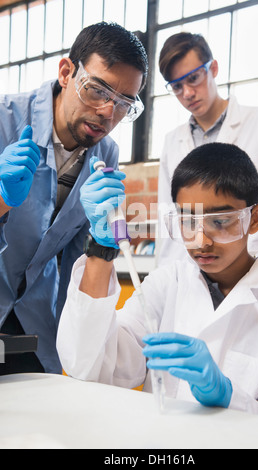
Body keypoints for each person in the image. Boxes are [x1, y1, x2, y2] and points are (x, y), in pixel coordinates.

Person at [57, 143, 258, 423]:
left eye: (220, 221)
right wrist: (100, 249)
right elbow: (91, 368)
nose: (202, 241)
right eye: (188, 221)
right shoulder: (167, 282)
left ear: (254, 219)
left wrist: (228, 396)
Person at [0, 22, 148, 374]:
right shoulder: (5, 120)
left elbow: (73, 258)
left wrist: (76, 346)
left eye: (124, 104)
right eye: (97, 90)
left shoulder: (105, 154)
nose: (107, 113)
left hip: (35, 323)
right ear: (66, 72)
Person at [157, 32, 258, 271]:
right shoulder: (172, 142)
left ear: (213, 68)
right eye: (177, 86)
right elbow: (169, 223)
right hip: (194, 281)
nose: (187, 93)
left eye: (193, 78)